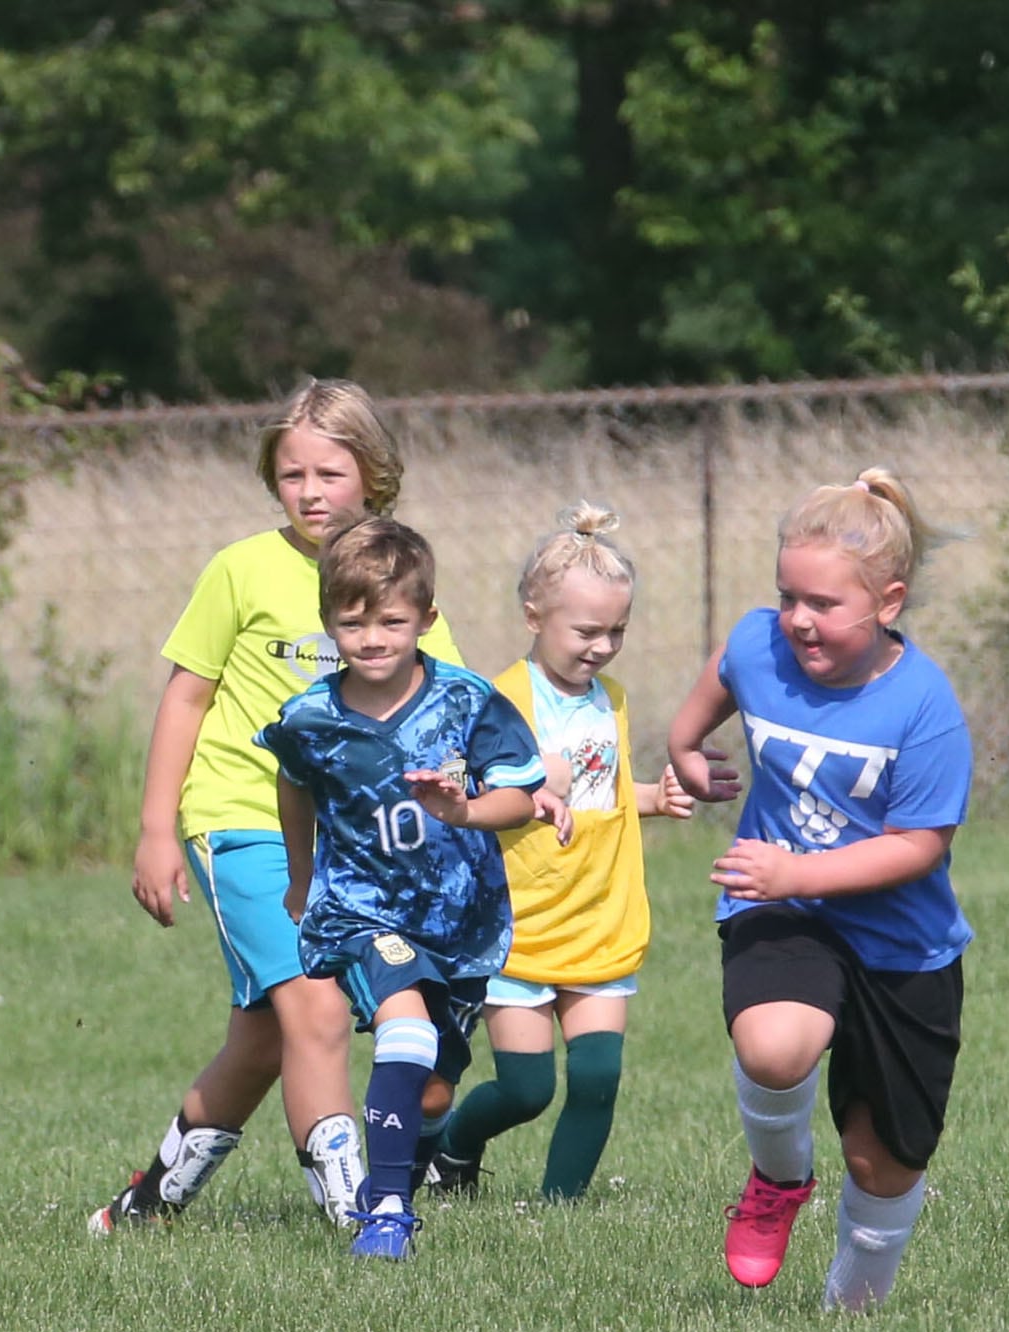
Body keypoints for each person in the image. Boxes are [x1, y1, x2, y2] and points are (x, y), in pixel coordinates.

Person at [89, 378, 466, 1234]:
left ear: (371, 474)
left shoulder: (394, 573)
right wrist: (155, 831)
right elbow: (185, 698)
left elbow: (443, 704)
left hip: (350, 843)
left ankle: (145, 1206)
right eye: (291, 474)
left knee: (263, 1037)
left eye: (329, 473)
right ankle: (359, 1214)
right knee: (317, 1008)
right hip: (239, 822)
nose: (310, 491)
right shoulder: (241, 569)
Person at [667, 468, 971, 1312]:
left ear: (888, 602)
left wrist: (796, 868)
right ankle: (778, 1176)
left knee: (884, 1161)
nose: (797, 619)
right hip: (782, 910)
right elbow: (710, 694)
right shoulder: (760, 644)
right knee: (772, 1045)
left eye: (823, 604)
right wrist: (689, 753)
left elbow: (919, 845)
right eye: (786, 595)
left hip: (903, 944)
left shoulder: (923, 706)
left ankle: (850, 1313)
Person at [258, 518, 544, 1261]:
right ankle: (385, 1211)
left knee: (433, 1093)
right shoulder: (310, 718)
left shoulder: (467, 702)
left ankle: (400, 1176)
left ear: (426, 617)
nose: (372, 637)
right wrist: (300, 876)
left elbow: (522, 796)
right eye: (351, 623)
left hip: (462, 920)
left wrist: (464, 810)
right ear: (328, 624)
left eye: (390, 620)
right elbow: (293, 784)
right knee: (404, 1027)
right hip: (360, 909)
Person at [427, 505, 707, 1200]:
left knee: (596, 1078)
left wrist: (652, 797)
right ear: (533, 615)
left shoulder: (610, 699)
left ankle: (559, 1210)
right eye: (586, 630)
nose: (603, 646)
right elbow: (463, 803)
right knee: (526, 1087)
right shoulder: (495, 701)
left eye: (616, 630)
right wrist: (517, 789)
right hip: (519, 925)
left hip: (598, 915)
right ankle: (455, 1147)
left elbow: (597, 793)